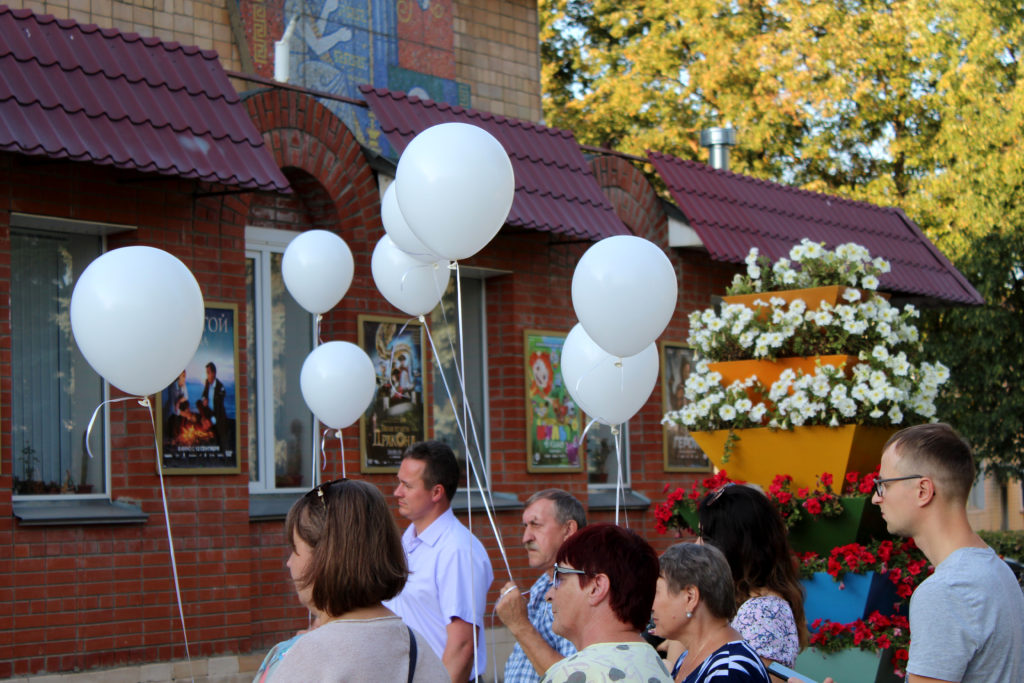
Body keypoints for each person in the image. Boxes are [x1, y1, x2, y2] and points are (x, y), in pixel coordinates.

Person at [867, 423, 1024, 682]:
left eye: (883, 484)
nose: (876, 497)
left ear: (923, 491)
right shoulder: (997, 570)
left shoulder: (947, 590)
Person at [254, 478, 448, 682]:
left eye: (294, 549)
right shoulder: (417, 651)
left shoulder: (298, 659)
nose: (289, 563)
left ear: (324, 557)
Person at [383, 441, 494, 683]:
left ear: (436, 492)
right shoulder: (409, 538)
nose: (397, 492)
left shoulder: (457, 550)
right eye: (399, 482)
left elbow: (463, 646)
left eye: (407, 485)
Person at [540, 523, 673, 683]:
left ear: (596, 587)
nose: (549, 595)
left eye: (560, 578)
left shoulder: (572, 674)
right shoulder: (656, 665)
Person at [695, 483, 807, 667]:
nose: (697, 545)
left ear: (733, 545)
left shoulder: (763, 612)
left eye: (705, 536)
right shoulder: (744, 602)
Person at [496, 489, 586, 682]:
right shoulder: (542, 584)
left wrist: (519, 625)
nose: (526, 538)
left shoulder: (584, 589)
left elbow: (576, 677)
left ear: (568, 529)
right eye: (525, 526)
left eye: (535, 525)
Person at [652, 542, 770, 683]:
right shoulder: (689, 658)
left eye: (656, 592)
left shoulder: (728, 671)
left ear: (690, 597)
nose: (651, 605)